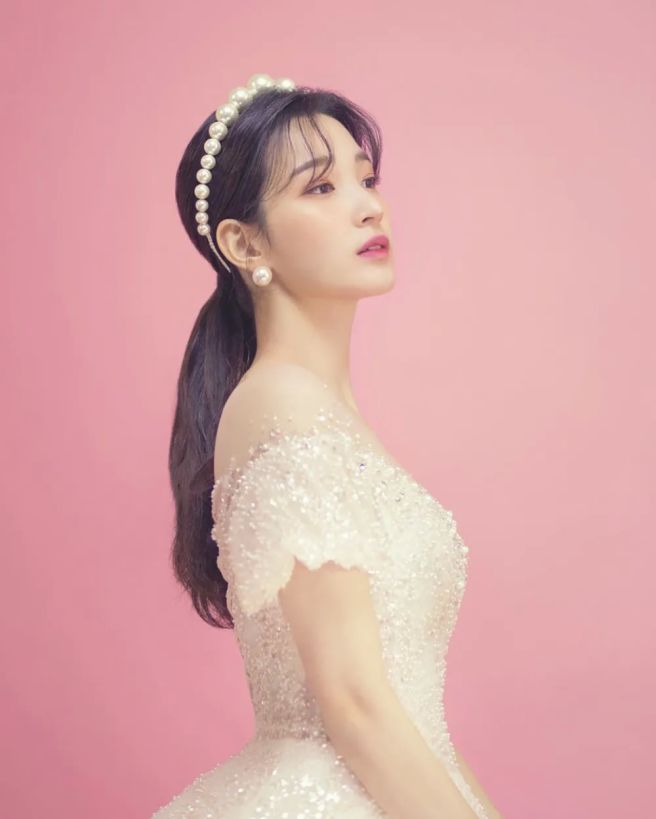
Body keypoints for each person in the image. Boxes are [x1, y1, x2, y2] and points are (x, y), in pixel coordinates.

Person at [153, 73, 503, 819]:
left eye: (366, 179)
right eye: (320, 187)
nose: (369, 205)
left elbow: (414, 718)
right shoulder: (279, 402)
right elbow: (353, 702)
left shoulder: (322, 413)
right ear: (244, 242)